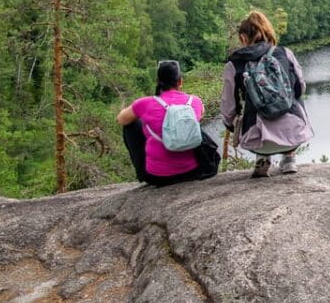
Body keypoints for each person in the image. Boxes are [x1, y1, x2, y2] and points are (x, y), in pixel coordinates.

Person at [222, 10, 313, 177]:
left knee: (251, 110)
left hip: (256, 140)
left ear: (243, 38)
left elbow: (228, 109)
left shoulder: (234, 64)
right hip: (294, 134)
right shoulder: (285, 53)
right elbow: (301, 88)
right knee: (296, 96)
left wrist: (233, 126)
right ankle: (289, 158)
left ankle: (262, 158)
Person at [117, 60, 214, 186]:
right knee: (191, 125)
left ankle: (141, 173)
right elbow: (201, 115)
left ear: (157, 81)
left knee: (131, 126)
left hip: (158, 177)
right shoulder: (194, 101)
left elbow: (121, 119)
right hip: (193, 171)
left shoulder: (144, 104)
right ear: (180, 81)